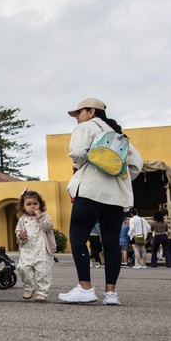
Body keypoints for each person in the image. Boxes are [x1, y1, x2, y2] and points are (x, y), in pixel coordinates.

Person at [58, 98, 143, 305]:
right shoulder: (119, 135)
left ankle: (85, 288)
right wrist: (114, 175)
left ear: (92, 112)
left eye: (79, 113)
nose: (77, 118)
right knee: (112, 242)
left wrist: (85, 166)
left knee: (78, 237)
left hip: (90, 191)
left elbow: (77, 153)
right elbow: (137, 164)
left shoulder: (86, 127)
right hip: (115, 197)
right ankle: (111, 294)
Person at [14, 190, 55, 302]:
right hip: (27, 249)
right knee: (23, 268)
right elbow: (18, 230)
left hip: (43, 250)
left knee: (43, 272)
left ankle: (42, 292)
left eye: (35, 203)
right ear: (23, 207)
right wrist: (20, 235)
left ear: (40, 204)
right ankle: (29, 287)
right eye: (29, 204)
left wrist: (40, 217)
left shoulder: (45, 216)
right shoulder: (23, 219)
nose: (32, 206)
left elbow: (47, 227)